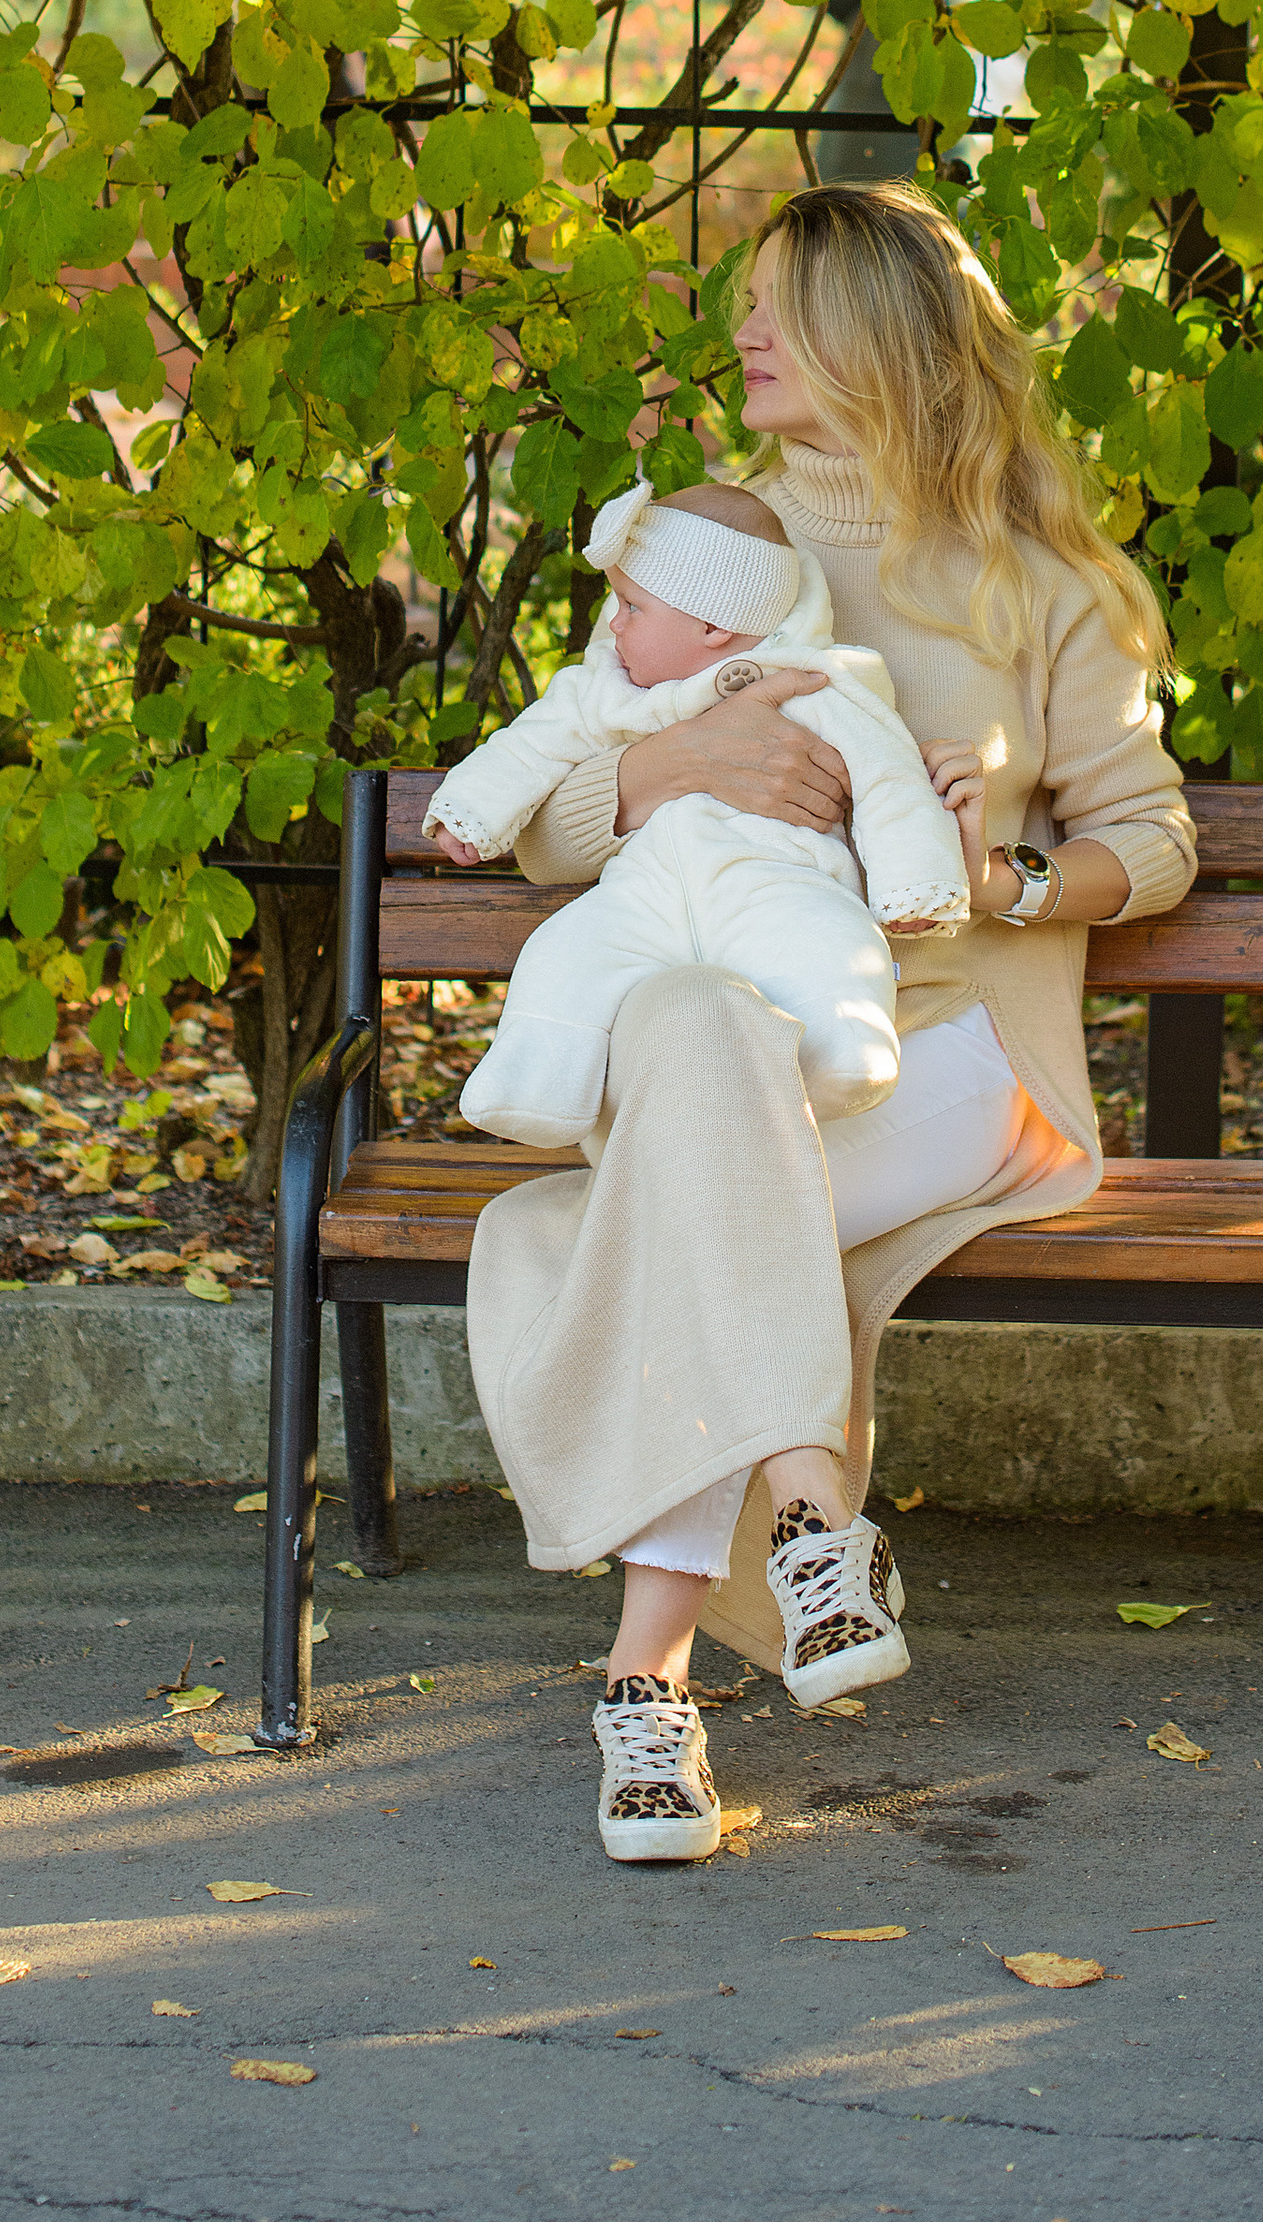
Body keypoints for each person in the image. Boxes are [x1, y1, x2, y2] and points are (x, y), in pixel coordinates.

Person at [463, 182, 1196, 1867]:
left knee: (647, 1221)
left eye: (789, 305)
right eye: (752, 302)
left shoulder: (1036, 586)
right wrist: (667, 767)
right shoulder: (711, 549)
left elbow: (1152, 844)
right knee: (707, 1046)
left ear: (891, 336)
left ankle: (649, 1699)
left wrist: (1006, 882)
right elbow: (557, 816)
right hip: (733, 1063)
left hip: (945, 1078)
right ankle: (789, 1549)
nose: (748, 331)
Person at [423, 475, 971, 1149]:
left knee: (829, 942)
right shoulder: (607, 689)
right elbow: (534, 741)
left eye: (630, 606)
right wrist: (472, 812)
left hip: (778, 883)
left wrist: (912, 885)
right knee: (564, 952)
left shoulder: (813, 684)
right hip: (643, 895)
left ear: (712, 626)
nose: (612, 623)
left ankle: (843, 1055)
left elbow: (889, 776)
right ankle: (536, 1082)